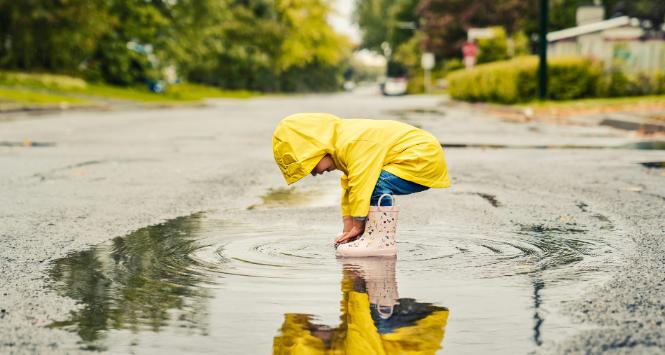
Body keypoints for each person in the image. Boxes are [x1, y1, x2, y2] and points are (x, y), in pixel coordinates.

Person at [272, 113, 450, 256]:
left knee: (372, 184)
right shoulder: (340, 144)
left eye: (309, 166)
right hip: (414, 156)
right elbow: (350, 186)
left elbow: (361, 183)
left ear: (316, 149)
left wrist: (358, 225)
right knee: (363, 184)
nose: (313, 173)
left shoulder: (350, 142)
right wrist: (349, 227)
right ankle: (370, 236)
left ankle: (380, 240)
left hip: (421, 157)